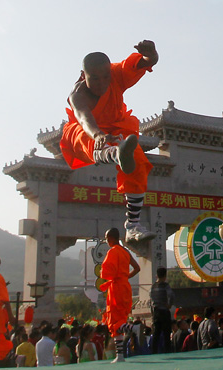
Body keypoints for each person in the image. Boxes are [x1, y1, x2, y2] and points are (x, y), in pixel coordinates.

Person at [60, 40, 159, 242]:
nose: (102, 83)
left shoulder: (115, 74)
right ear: (83, 75)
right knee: (79, 135)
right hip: (88, 133)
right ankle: (113, 153)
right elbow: (83, 117)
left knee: (138, 161)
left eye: (105, 77)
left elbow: (147, 62)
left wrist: (151, 54)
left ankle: (132, 226)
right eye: (94, 79)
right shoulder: (78, 94)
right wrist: (97, 135)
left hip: (117, 128)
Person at [100, 227, 140, 363]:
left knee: (115, 321)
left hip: (116, 287)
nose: (106, 241)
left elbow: (106, 272)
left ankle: (133, 327)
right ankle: (120, 355)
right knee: (120, 318)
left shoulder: (113, 251)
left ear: (111, 238)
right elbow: (137, 268)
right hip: (125, 286)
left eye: (106, 238)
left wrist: (119, 278)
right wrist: (125, 277)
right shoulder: (125, 251)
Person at [150, 267, 175, 354]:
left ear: (156, 275)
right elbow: (171, 295)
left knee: (156, 333)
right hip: (164, 311)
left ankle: (154, 352)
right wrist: (169, 304)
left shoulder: (153, 286)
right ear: (165, 276)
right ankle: (167, 351)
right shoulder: (165, 285)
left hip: (156, 311)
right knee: (166, 334)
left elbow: (151, 300)